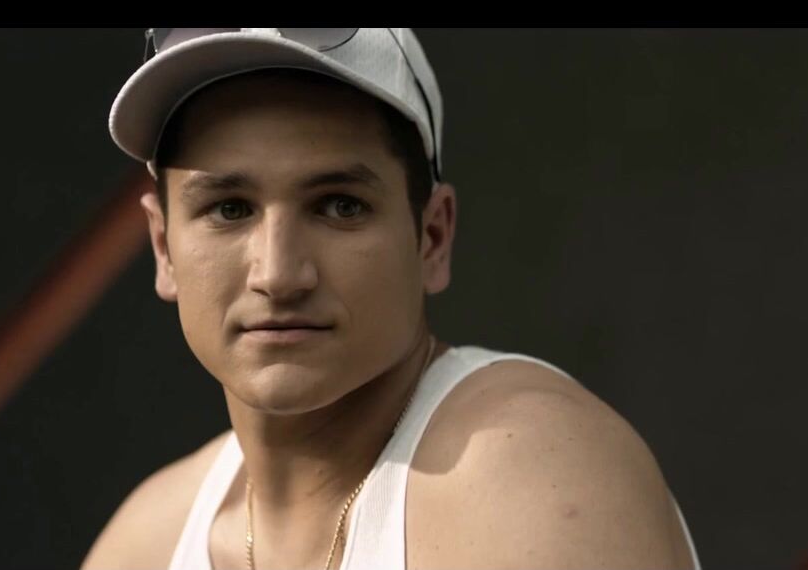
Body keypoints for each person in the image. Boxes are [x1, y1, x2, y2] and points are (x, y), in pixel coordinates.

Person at [81, 28, 701, 570]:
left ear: (432, 238)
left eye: (339, 205)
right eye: (229, 209)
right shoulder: (150, 541)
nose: (279, 274)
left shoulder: (525, 469)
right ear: (163, 247)